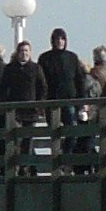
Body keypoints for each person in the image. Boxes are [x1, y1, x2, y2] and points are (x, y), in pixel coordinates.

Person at [37, 27, 88, 165]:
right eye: (57, 39)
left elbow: (79, 80)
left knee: (73, 129)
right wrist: (41, 102)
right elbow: (40, 82)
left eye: (62, 38)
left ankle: (65, 156)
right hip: (51, 102)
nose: (60, 41)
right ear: (52, 41)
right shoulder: (44, 58)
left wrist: (82, 101)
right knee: (55, 132)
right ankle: (56, 162)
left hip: (69, 101)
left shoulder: (72, 57)